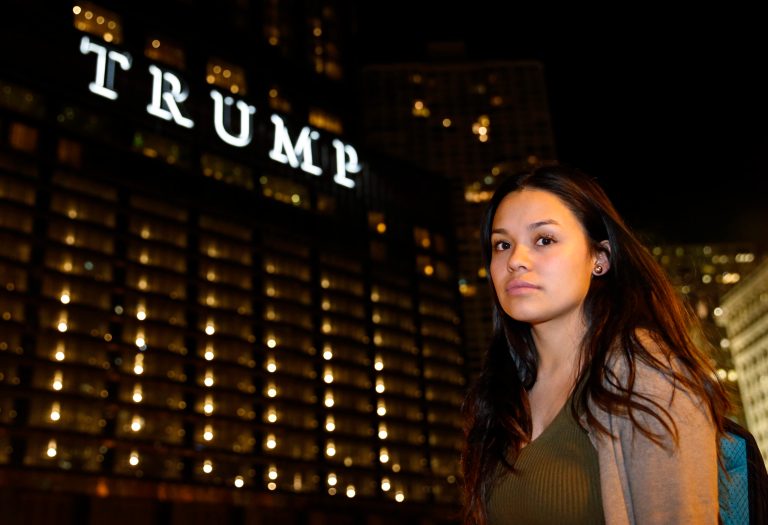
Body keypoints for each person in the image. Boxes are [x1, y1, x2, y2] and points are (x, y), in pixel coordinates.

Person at [460, 165, 731, 525]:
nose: (516, 261)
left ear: (599, 258)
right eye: (502, 245)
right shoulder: (502, 395)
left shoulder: (643, 373)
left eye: (544, 240)